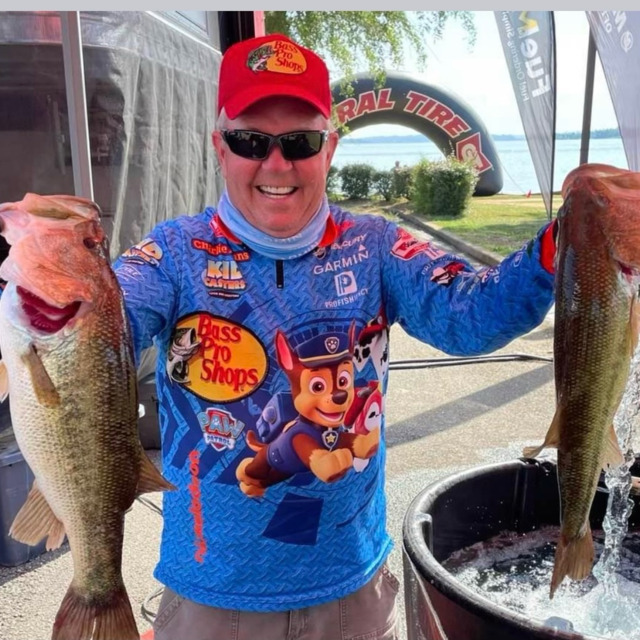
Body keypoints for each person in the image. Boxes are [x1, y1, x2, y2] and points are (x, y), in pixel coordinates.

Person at [113, 33, 557, 640]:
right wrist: (53, 287)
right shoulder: (173, 252)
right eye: (251, 141)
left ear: (330, 148)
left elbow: (469, 315)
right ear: (219, 147)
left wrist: (557, 249)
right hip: (213, 599)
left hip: (352, 594)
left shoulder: (374, 245)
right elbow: (101, 324)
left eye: (300, 142)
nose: (276, 164)